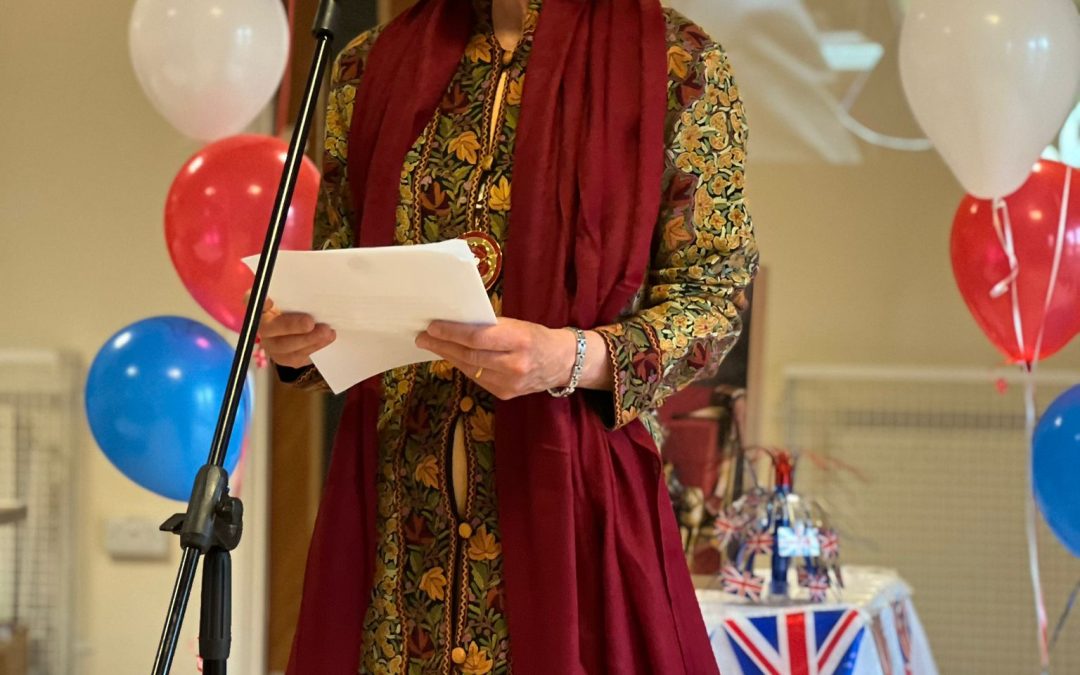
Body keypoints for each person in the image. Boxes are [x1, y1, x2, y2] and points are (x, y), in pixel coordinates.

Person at [260, 0, 757, 671]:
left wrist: (571, 356)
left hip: (571, 520)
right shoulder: (366, 67)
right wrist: (300, 343)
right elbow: (348, 280)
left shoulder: (677, 62)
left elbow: (715, 298)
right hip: (401, 530)